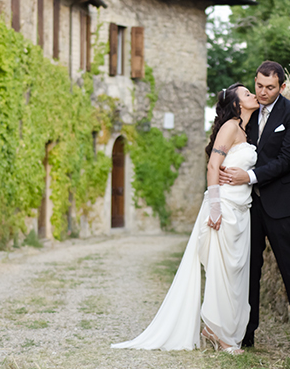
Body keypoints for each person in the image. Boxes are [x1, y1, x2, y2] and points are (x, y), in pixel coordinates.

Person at [111, 83, 260, 354]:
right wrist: (214, 207)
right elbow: (213, 165)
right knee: (221, 271)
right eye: (247, 94)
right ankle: (217, 330)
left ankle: (219, 329)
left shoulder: (244, 131)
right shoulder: (230, 127)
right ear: (237, 105)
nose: (253, 95)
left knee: (235, 272)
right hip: (224, 208)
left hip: (241, 209)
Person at [219, 61, 290, 358]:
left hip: (283, 206)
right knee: (248, 269)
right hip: (250, 205)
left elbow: (288, 159)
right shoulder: (246, 115)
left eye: (270, 88)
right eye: (259, 86)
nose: (263, 93)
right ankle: (246, 332)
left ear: (282, 87)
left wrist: (248, 176)